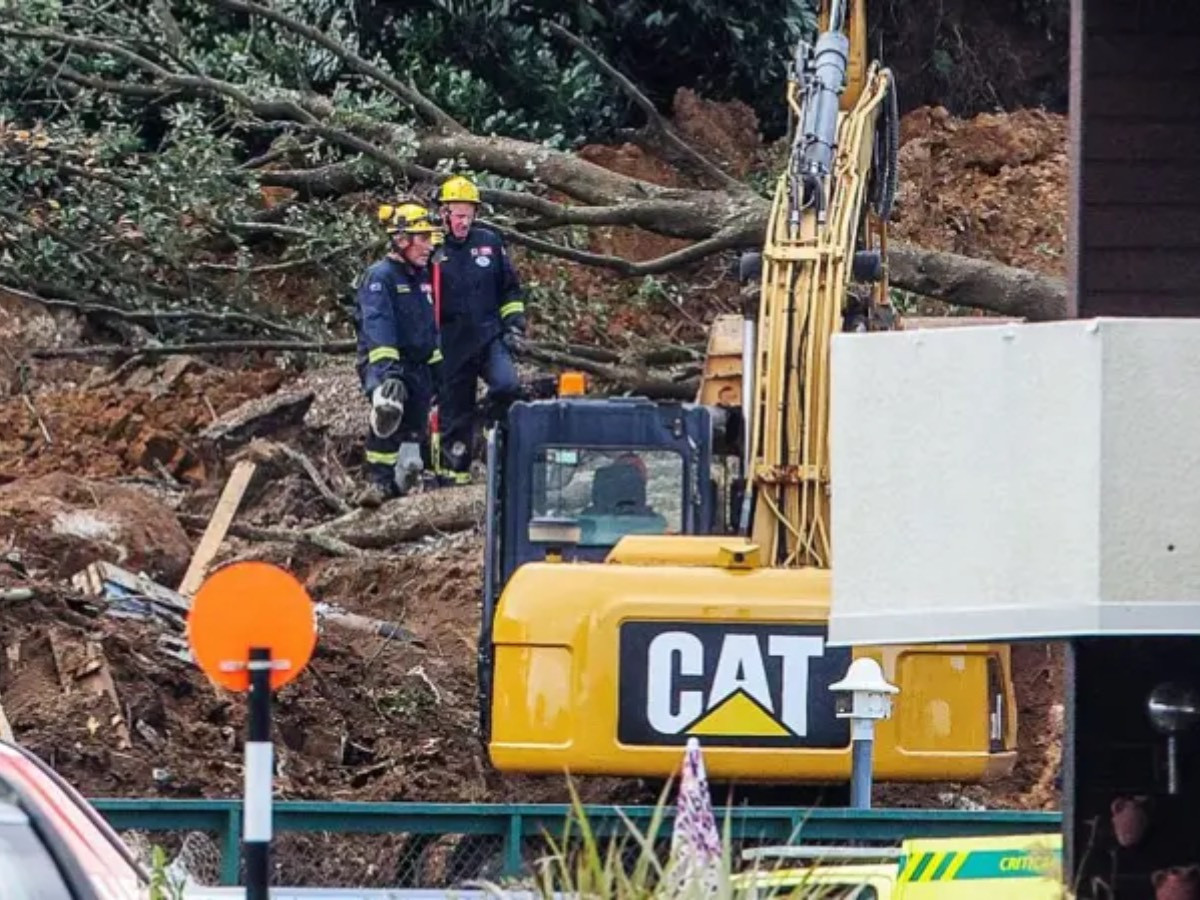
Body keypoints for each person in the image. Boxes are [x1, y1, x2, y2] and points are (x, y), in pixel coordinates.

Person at [431, 174, 527, 484]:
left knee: (507, 386)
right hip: (450, 343)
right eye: (458, 216)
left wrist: (514, 325)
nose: (463, 222)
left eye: (468, 216)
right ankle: (454, 476)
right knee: (455, 413)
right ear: (444, 213)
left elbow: (510, 290)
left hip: (488, 337)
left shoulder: (489, 243)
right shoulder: (431, 250)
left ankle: (492, 434)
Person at [352, 201, 443, 507]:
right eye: (423, 239)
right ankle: (376, 481)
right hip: (384, 362)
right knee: (390, 408)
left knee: (416, 426)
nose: (429, 246)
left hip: (418, 364)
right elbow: (379, 327)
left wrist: (437, 367)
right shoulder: (381, 277)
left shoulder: (420, 276)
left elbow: (426, 326)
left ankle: (404, 485)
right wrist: (388, 374)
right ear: (402, 240)